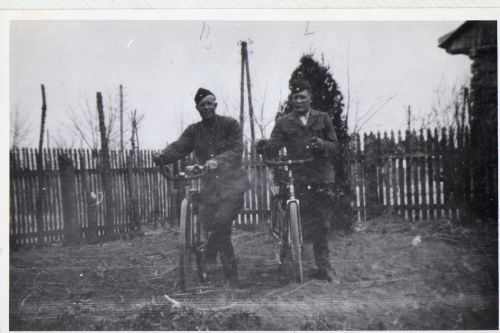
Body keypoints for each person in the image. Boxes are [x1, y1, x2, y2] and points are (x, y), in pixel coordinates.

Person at [154, 87, 249, 287]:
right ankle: (230, 278)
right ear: (197, 108)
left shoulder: (230, 125)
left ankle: (213, 257)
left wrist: (217, 161)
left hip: (233, 186)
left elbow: (236, 150)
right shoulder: (194, 131)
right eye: (202, 105)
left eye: (209, 103)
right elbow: (179, 147)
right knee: (213, 226)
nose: (206, 107)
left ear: (215, 104)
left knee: (222, 221)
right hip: (210, 189)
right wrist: (163, 156)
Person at [257, 79, 339, 282]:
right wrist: (264, 146)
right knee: (289, 216)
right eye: (295, 97)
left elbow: (336, 146)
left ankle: (324, 266)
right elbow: (274, 146)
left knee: (322, 223)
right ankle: (286, 261)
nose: (299, 101)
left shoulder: (324, 118)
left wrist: (322, 144)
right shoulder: (284, 122)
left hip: (320, 175)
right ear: (291, 99)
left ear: (310, 97)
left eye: (303, 97)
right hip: (297, 175)